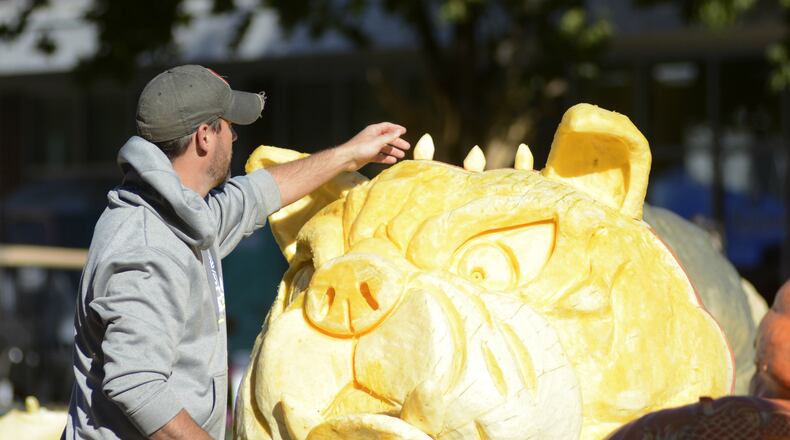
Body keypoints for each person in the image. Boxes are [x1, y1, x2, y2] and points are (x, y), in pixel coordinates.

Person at [62, 65, 410, 440]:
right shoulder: (148, 246)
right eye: (229, 125)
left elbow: (257, 194)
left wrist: (348, 155)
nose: (235, 135)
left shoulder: (182, 215)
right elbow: (136, 384)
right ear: (204, 137)